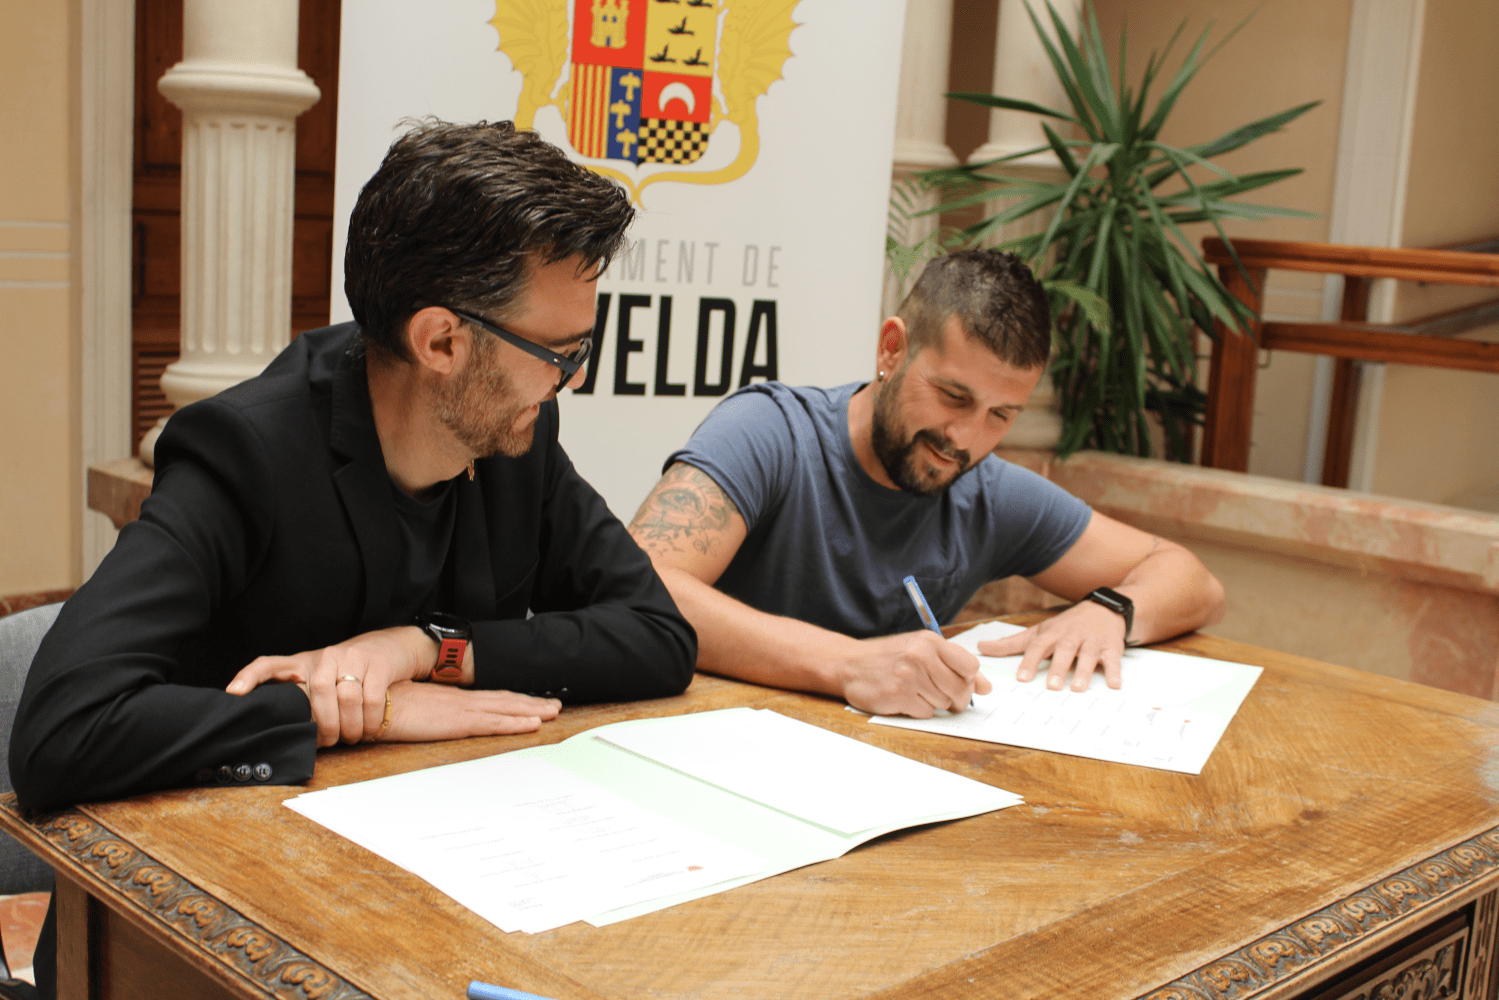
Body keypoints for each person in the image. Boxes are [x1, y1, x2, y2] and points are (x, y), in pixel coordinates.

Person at [11, 119, 696, 820]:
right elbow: (59, 735)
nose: (569, 380)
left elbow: (658, 635)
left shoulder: (514, 430)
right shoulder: (247, 452)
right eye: (560, 354)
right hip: (226, 857)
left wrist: (428, 651)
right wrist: (343, 711)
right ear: (441, 342)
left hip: (444, 832)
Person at [628, 249, 1223, 719]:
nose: (965, 438)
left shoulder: (989, 492)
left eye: (1000, 415)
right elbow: (642, 587)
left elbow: (1193, 581)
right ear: (893, 349)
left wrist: (1111, 610)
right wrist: (849, 664)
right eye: (953, 396)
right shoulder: (769, 431)